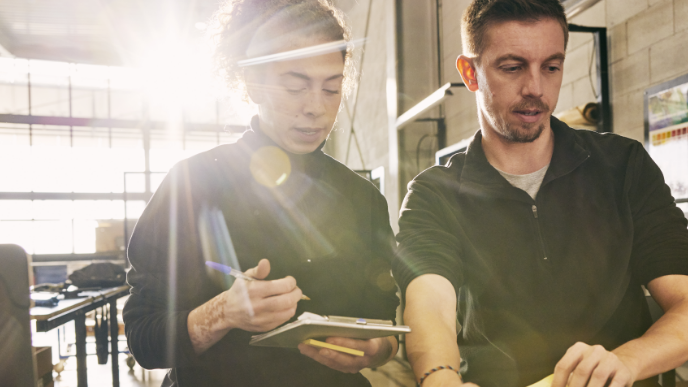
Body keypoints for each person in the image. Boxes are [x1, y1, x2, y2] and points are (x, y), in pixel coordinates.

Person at [392, 1, 688, 387]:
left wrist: (627, 362)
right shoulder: (435, 194)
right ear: (471, 72)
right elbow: (429, 302)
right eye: (512, 67)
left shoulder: (622, 166)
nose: (535, 88)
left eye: (551, 67)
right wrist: (439, 377)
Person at [122, 1, 399, 386]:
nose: (316, 108)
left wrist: (377, 349)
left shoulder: (363, 199)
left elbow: (384, 321)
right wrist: (223, 313)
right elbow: (143, 339)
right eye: (294, 86)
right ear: (252, 83)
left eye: (331, 88)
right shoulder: (191, 184)